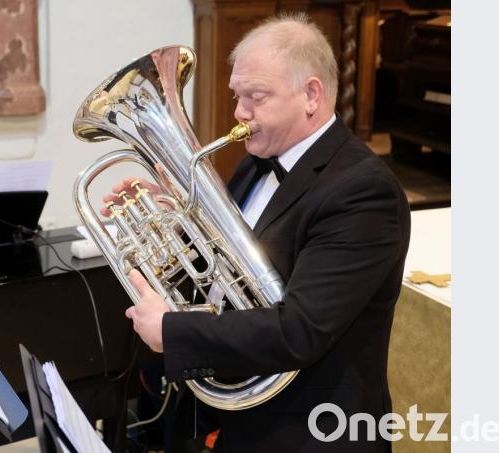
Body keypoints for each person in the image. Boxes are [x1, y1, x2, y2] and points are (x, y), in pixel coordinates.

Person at [105, 13, 411, 452]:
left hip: (315, 433)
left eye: (256, 97)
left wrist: (173, 332)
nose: (239, 113)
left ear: (311, 94)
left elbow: (300, 329)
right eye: (237, 96)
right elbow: (225, 279)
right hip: (243, 422)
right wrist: (178, 223)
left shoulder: (364, 191)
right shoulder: (254, 164)